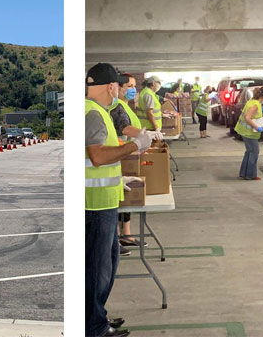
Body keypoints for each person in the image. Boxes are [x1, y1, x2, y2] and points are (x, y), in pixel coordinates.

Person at [85, 63, 153, 337]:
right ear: (112, 87)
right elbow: (98, 157)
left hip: (104, 200)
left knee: (108, 263)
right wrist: (135, 146)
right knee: (98, 269)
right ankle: (94, 326)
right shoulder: (93, 114)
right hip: (96, 204)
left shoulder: (96, 111)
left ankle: (97, 316)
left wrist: (120, 179)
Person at [109, 73, 163, 256]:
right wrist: (144, 135)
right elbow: (124, 127)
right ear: (118, 87)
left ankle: (126, 234)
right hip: (122, 151)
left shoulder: (124, 104)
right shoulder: (116, 105)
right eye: (130, 86)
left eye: (134, 86)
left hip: (128, 150)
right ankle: (117, 237)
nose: (133, 90)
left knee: (126, 194)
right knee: (120, 198)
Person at [235, 86, 263, 180]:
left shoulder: (253, 102)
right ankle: (250, 175)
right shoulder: (255, 105)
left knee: (249, 151)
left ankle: (244, 173)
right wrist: (257, 127)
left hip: (245, 131)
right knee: (254, 152)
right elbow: (247, 118)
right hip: (249, 133)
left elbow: (254, 116)